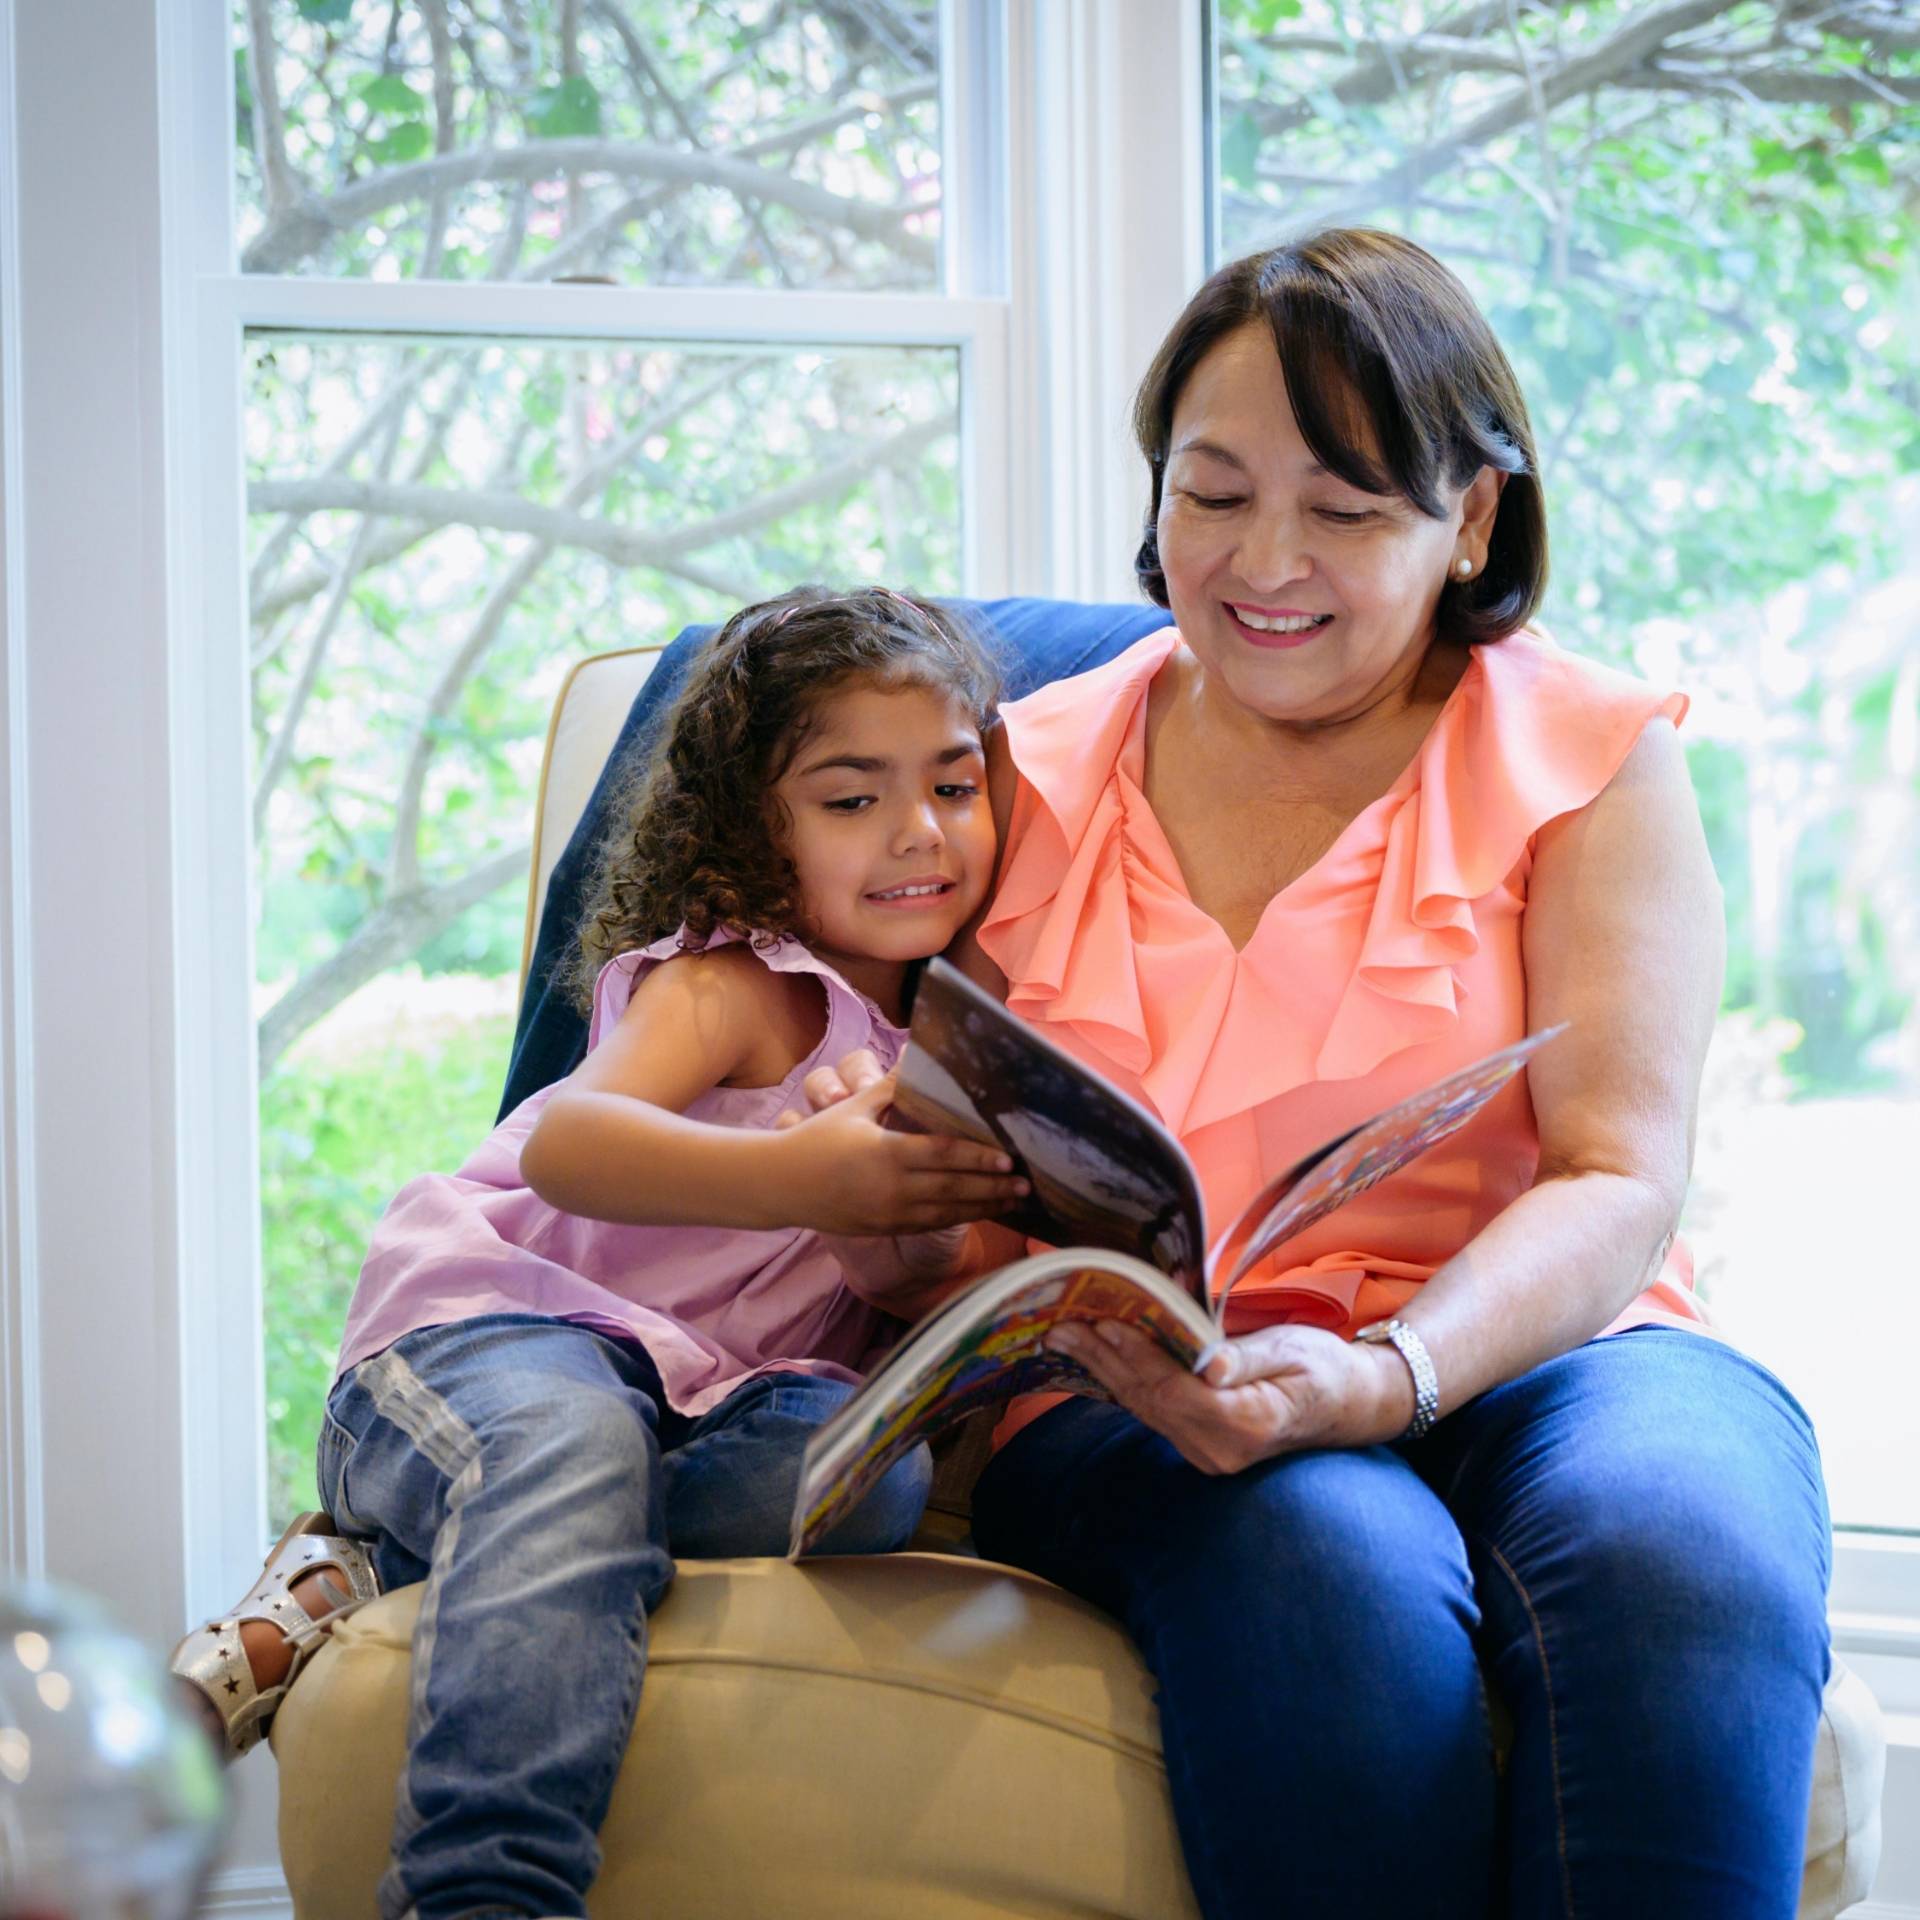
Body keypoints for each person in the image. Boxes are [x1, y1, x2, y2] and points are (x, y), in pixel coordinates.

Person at [801, 232, 1832, 1918]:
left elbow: (1617, 1175)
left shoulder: (1592, 759)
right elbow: (954, 1191)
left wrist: (1396, 1372)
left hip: (1551, 1344)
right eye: (1212, 496)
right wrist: (888, 1224)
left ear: (1472, 518)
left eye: (1346, 511)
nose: (1264, 562)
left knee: (1679, 1556)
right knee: (1322, 1562)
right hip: (1150, 1387)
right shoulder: (1016, 777)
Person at [170, 585, 1027, 1920]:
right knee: (571, 1447)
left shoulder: (957, 1041)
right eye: (852, 799)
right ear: (758, 827)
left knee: (875, 1481)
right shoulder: (735, 985)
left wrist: (897, 1232)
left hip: (710, 1398)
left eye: (955, 787)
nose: (919, 832)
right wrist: (796, 1174)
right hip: (507, 1328)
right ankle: (486, 1887)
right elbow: (573, 1142)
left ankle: (371, 1562)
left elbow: (880, 1287)